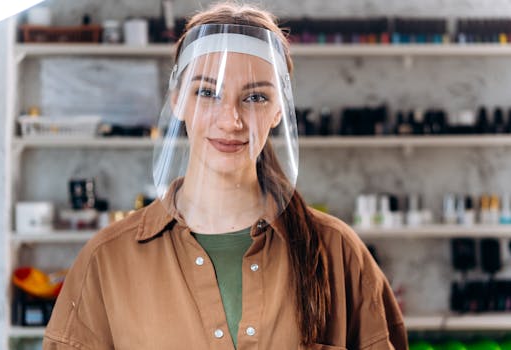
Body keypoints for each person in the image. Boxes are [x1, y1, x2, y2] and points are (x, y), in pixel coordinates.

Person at [43, 2, 408, 349]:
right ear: (177, 100)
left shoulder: (338, 254)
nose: (230, 120)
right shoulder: (107, 262)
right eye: (207, 92)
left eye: (255, 98)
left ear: (280, 110)